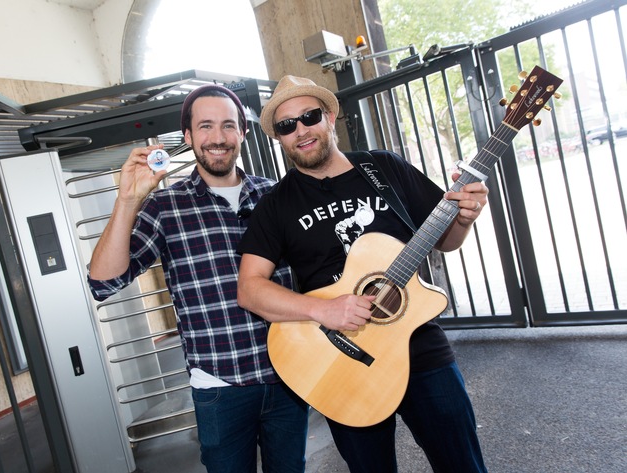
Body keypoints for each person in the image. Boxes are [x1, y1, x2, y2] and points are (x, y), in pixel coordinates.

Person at [237, 75, 488, 473]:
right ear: (279, 138)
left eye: (309, 116)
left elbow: (445, 239)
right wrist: (324, 311)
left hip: (419, 346)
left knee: (464, 465)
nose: (300, 130)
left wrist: (466, 218)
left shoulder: (383, 168)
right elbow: (250, 291)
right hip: (343, 359)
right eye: (287, 125)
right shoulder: (276, 205)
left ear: (330, 116)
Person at [87, 84, 308, 473]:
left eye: (228, 126)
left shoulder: (276, 196)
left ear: (243, 132)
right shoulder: (164, 205)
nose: (218, 138)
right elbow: (103, 282)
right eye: (205, 127)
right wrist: (126, 200)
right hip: (220, 388)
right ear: (187, 137)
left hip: (289, 374)